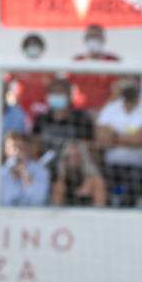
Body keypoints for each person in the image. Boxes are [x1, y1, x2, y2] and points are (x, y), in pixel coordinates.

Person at [31, 78, 106, 208]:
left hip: (75, 168)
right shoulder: (42, 120)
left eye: (60, 93)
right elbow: (34, 147)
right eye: (54, 93)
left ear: (69, 95)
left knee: (95, 180)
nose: (56, 96)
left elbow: (89, 149)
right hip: (48, 169)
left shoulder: (81, 119)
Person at [95, 74, 142, 207]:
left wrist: (114, 135)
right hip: (112, 166)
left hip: (140, 168)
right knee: (99, 181)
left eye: (132, 82)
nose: (129, 86)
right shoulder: (110, 109)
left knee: (134, 184)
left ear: (140, 85)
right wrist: (130, 138)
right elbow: (102, 140)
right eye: (126, 82)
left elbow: (141, 140)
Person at [69, 23, 119, 115]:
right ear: (85, 39)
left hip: (106, 112)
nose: (93, 40)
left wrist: (102, 111)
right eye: (90, 37)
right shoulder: (76, 61)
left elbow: (116, 92)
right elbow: (66, 87)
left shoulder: (112, 61)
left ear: (103, 39)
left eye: (96, 37)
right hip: (79, 112)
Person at [0, 130, 50, 207]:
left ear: (27, 149)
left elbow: (38, 200)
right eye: (14, 147)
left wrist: (26, 174)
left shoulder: (41, 172)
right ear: (6, 150)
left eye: (21, 148)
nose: (17, 152)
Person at [7, 33, 51, 118]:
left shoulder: (49, 71)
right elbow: (6, 86)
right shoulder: (17, 69)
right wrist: (12, 102)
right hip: (21, 110)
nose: (33, 47)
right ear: (25, 48)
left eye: (35, 44)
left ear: (41, 47)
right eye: (30, 44)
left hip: (42, 113)